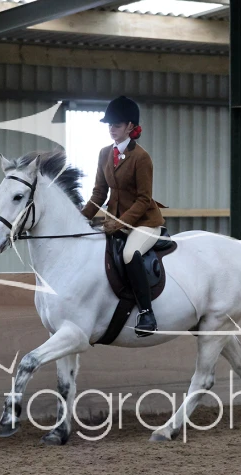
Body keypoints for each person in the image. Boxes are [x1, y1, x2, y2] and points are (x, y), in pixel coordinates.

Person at [80, 96, 166, 337]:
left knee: (129, 254)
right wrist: (82, 217)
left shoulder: (141, 157)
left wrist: (119, 222)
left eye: (116, 125)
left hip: (144, 222)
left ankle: (147, 313)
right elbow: (99, 193)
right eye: (110, 125)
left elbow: (144, 199)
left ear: (130, 126)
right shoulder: (104, 153)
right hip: (115, 222)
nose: (111, 129)